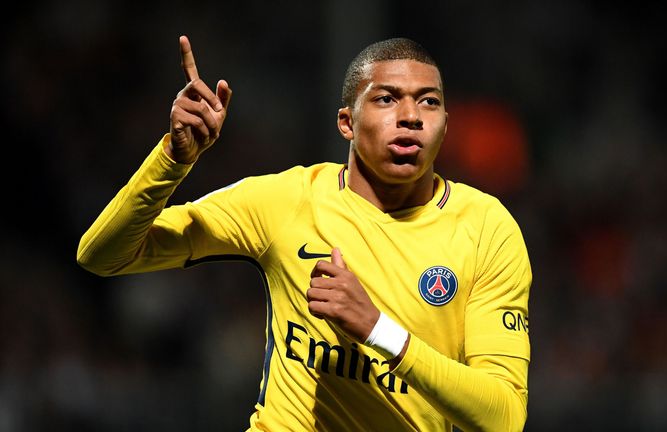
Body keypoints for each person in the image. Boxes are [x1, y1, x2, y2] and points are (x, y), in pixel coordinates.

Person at [77, 34, 532, 431]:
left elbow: (503, 417)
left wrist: (378, 330)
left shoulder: (486, 229)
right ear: (346, 123)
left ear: (445, 126)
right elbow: (103, 255)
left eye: (428, 101)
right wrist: (172, 160)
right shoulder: (286, 200)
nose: (411, 115)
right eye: (387, 98)